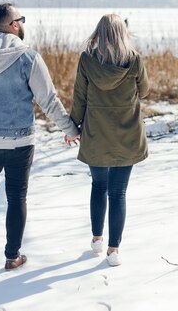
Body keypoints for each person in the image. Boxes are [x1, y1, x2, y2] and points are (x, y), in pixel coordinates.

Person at [0, 3, 80, 271]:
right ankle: (12, 256)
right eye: (21, 19)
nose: (23, 24)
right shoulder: (29, 57)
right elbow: (48, 100)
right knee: (16, 196)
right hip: (19, 142)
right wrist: (70, 129)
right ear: (14, 25)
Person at [68, 14, 149, 267]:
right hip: (128, 134)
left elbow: (79, 96)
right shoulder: (134, 60)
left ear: (98, 34)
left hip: (96, 134)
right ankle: (113, 251)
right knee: (118, 192)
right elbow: (144, 91)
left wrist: (72, 127)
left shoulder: (87, 59)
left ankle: (96, 239)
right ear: (123, 33)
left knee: (98, 186)